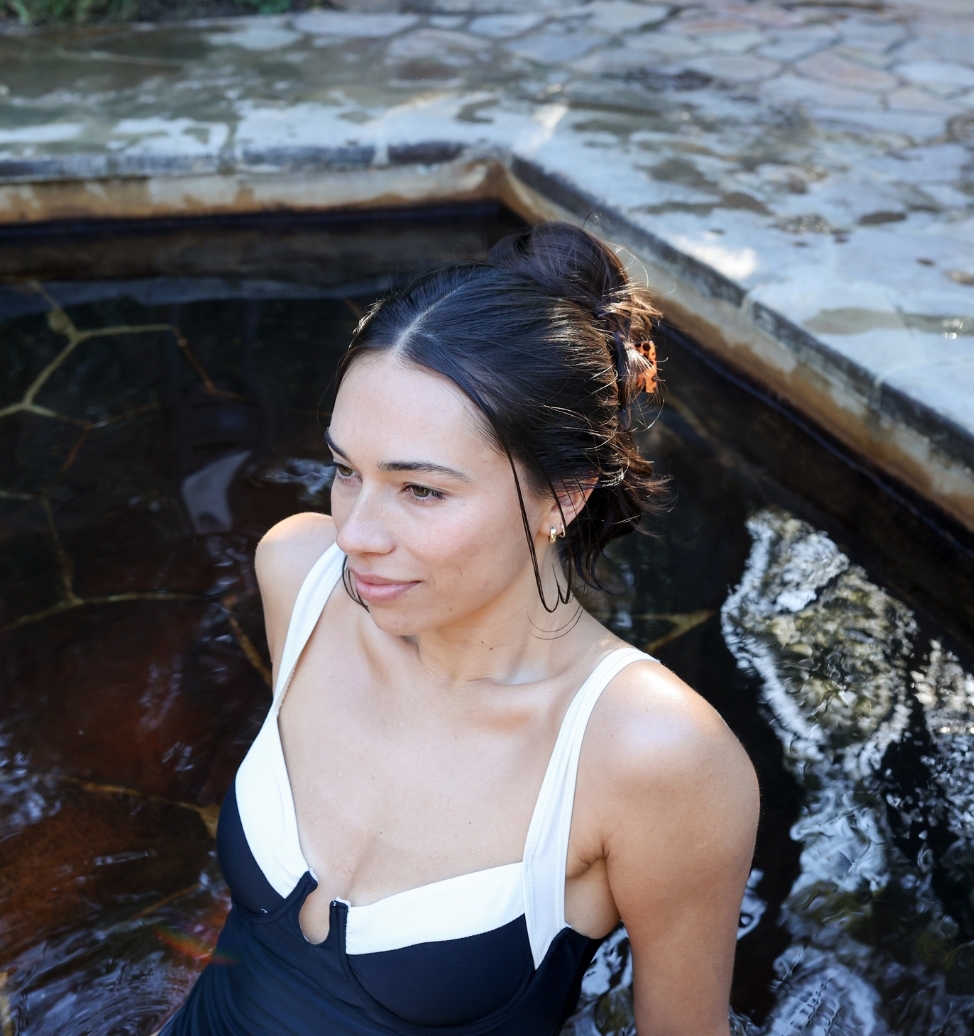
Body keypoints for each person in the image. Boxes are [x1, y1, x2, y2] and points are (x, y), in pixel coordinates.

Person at [159, 221, 759, 1036]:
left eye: (422, 491)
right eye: (345, 471)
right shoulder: (300, 580)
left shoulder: (650, 757)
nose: (356, 533)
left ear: (564, 495)